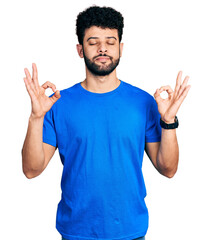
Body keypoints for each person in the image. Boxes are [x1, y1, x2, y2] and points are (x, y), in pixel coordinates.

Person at [22, 5, 191, 240]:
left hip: (130, 232)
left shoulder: (144, 102)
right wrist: (36, 117)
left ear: (121, 48)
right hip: (76, 233)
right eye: (93, 42)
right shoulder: (57, 104)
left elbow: (168, 169)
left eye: (110, 42)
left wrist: (168, 121)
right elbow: (31, 170)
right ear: (80, 50)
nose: (103, 48)